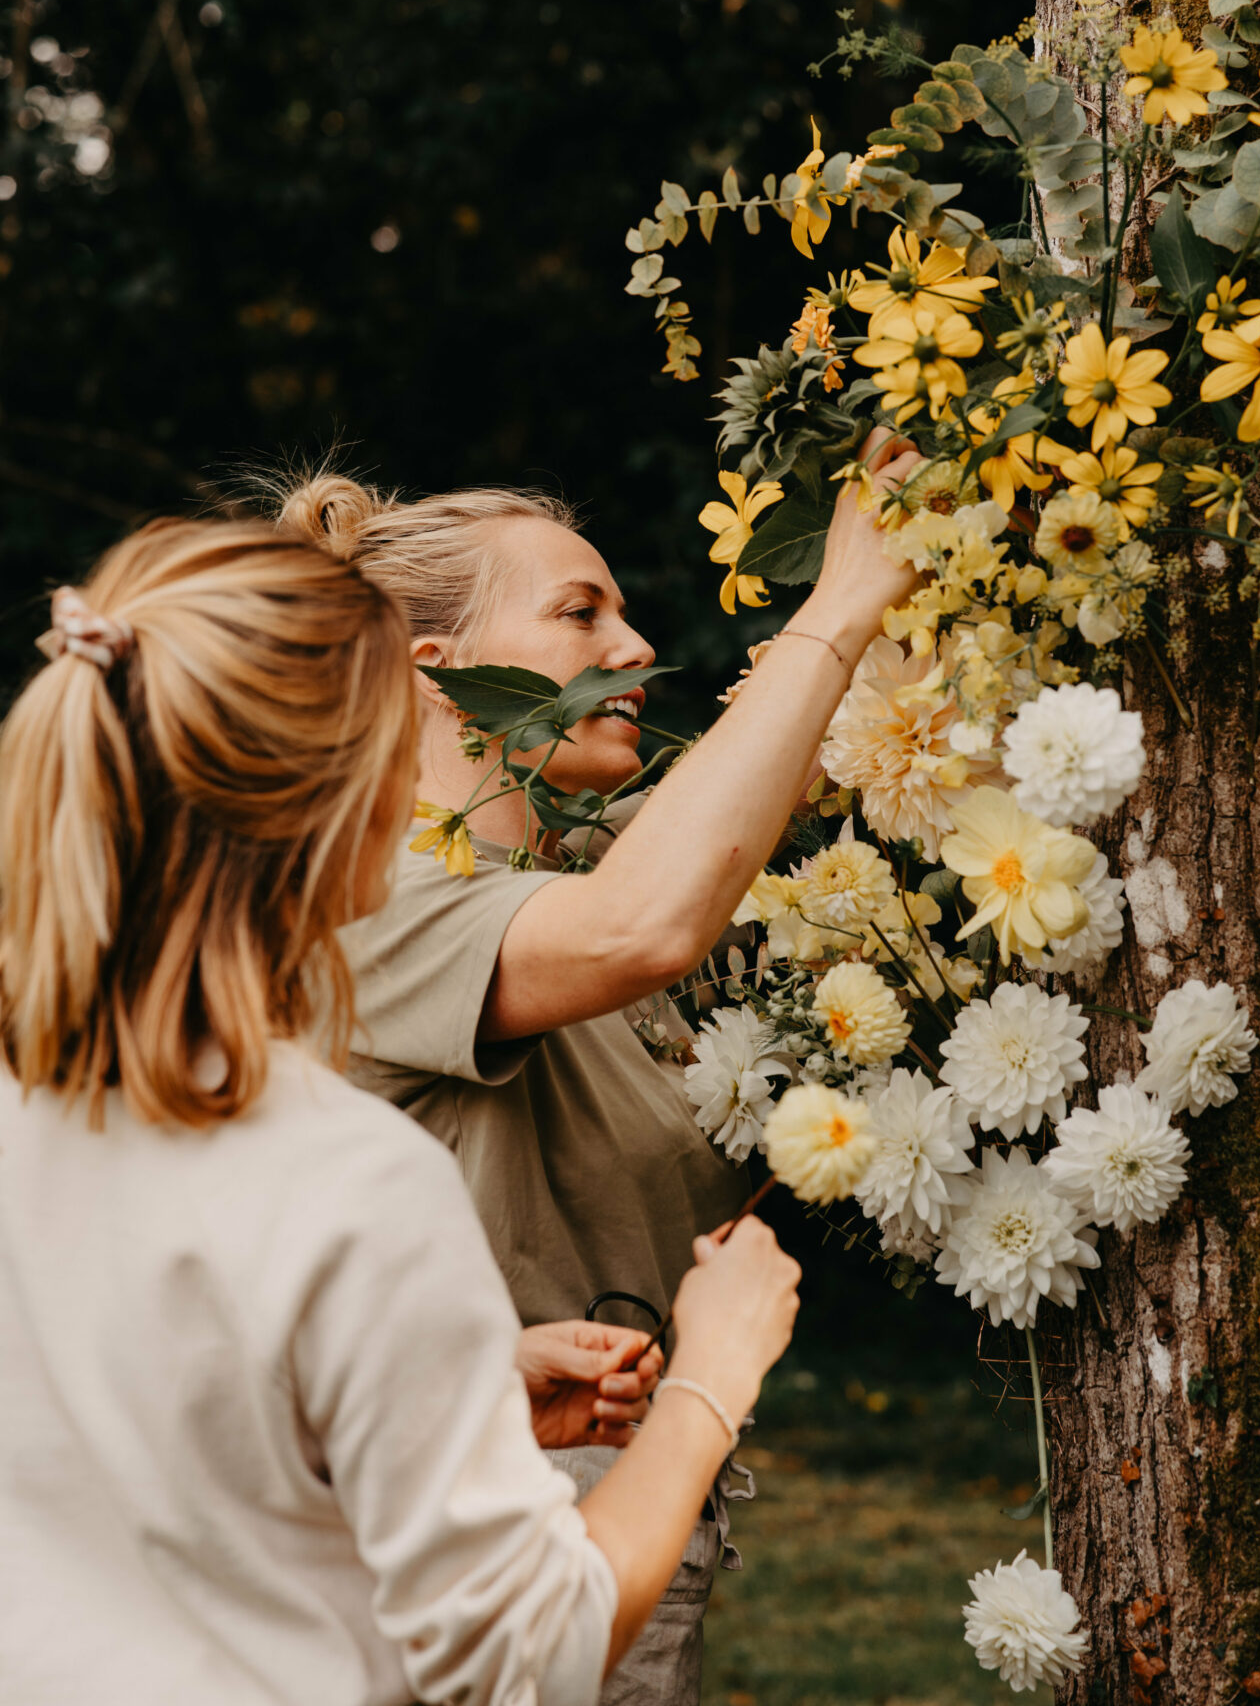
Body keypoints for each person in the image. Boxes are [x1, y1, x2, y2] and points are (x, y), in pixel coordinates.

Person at [0, 517, 802, 1706]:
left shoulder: (31, 1117)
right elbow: (524, 1650)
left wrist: (469, 1377)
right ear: (358, 783)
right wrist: (709, 1381)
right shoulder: (346, 1179)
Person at [274, 428, 918, 1705]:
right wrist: (837, 597)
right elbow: (647, 925)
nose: (633, 650)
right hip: (482, 1526)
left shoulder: (564, 867)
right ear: (431, 672)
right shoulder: (358, 902)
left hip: (624, 1499)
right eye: (581, 613)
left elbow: (757, 787)